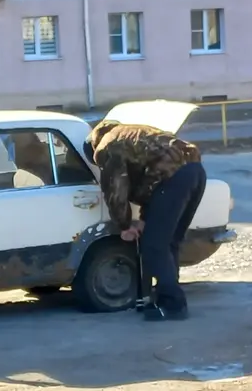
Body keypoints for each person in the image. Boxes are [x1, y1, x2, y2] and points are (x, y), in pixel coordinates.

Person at [84, 119, 207, 321]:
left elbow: (116, 189)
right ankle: (164, 297)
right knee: (169, 242)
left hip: (173, 179)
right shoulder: (135, 132)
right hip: (195, 172)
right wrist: (144, 219)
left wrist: (124, 225)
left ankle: (173, 305)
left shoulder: (107, 146)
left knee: (154, 246)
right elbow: (152, 175)